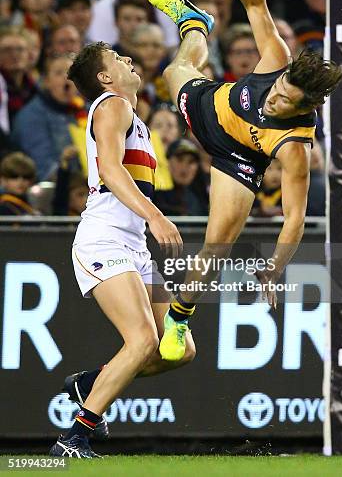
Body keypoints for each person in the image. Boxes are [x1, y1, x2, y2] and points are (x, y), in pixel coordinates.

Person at [148, 0, 342, 360]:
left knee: (215, 248)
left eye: (284, 99)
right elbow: (255, 1)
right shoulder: (279, 62)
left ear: (305, 105)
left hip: (237, 159)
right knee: (173, 73)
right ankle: (196, 24)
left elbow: (294, 218)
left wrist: (274, 269)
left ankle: (178, 320)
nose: (274, 95)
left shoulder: (295, 145)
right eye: (278, 88)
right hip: (209, 106)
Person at [49, 41, 193, 459]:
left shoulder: (134, 116)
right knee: (144, 338)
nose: (130, 59)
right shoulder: (112, 104)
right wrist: (155, 216)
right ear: (105, 78)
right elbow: (111, 171)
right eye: (118, 59)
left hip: (132, 246)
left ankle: (89, 384)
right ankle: (72, 438)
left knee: (178, 347)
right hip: (105, 238)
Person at [12, 55, 84, 180]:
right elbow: (44, 171)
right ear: (46, 81)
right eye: (58, 73)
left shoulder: (88, 109)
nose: (67, 78)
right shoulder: (31, 117)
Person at [153, 138, 208, 216]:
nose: (185, 167)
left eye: (191, 161)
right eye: (180, 159)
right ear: (167, 162)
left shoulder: (203, 199)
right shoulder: (153, 196)